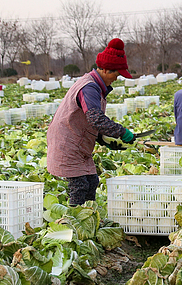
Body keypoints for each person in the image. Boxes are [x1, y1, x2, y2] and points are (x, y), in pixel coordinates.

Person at [46, 38, 138, 205]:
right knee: (79, 187)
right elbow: (95, 119)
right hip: (68, 143)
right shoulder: (89, 87)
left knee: (92, 182)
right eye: (117, 74)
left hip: (78, 143)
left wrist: (105, 140)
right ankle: (75, 225)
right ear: (106, 70)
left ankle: (89, 218)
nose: (117, 79)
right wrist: (122, 132)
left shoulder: (95, 86)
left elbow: (89, 121)